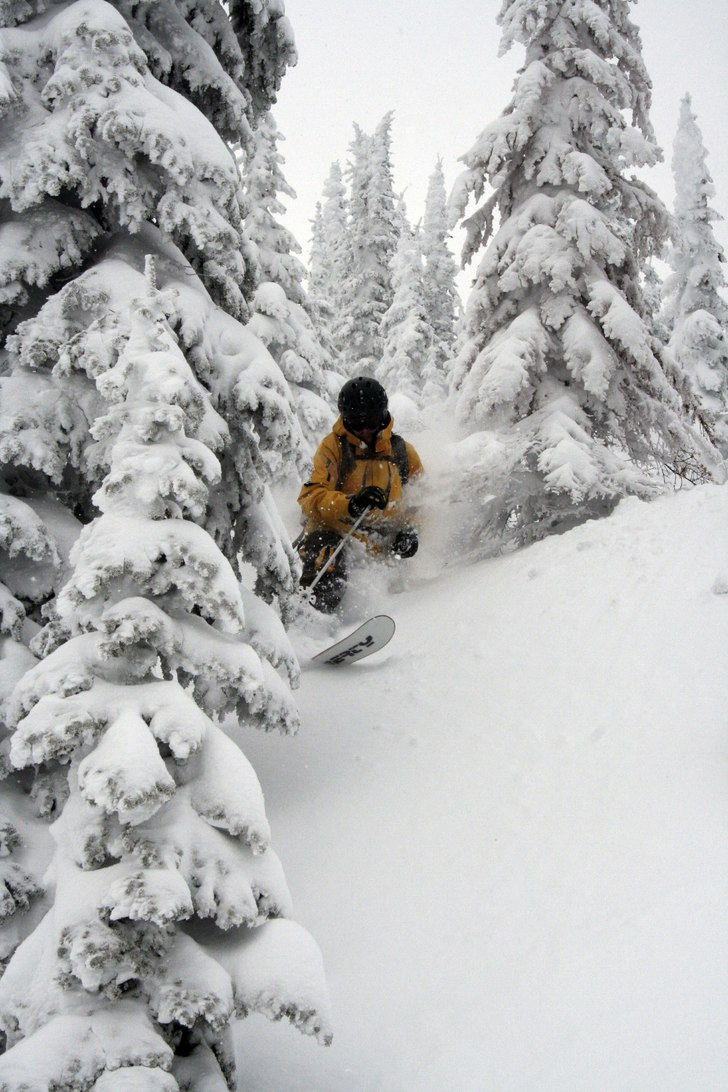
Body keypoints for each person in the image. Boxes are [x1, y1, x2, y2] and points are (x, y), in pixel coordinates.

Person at [297, 376, 423, 612]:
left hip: (379, 541)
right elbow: (309, 496)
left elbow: (421, 497)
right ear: (345, 419)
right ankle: (313, 622)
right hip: (336, 530)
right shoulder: (333, 448)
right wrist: (350, 504)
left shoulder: (401, 452)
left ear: (383, 416)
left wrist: (410, 530)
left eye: (371, 422)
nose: (365, 430)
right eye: (356, 423)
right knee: (326, 555)